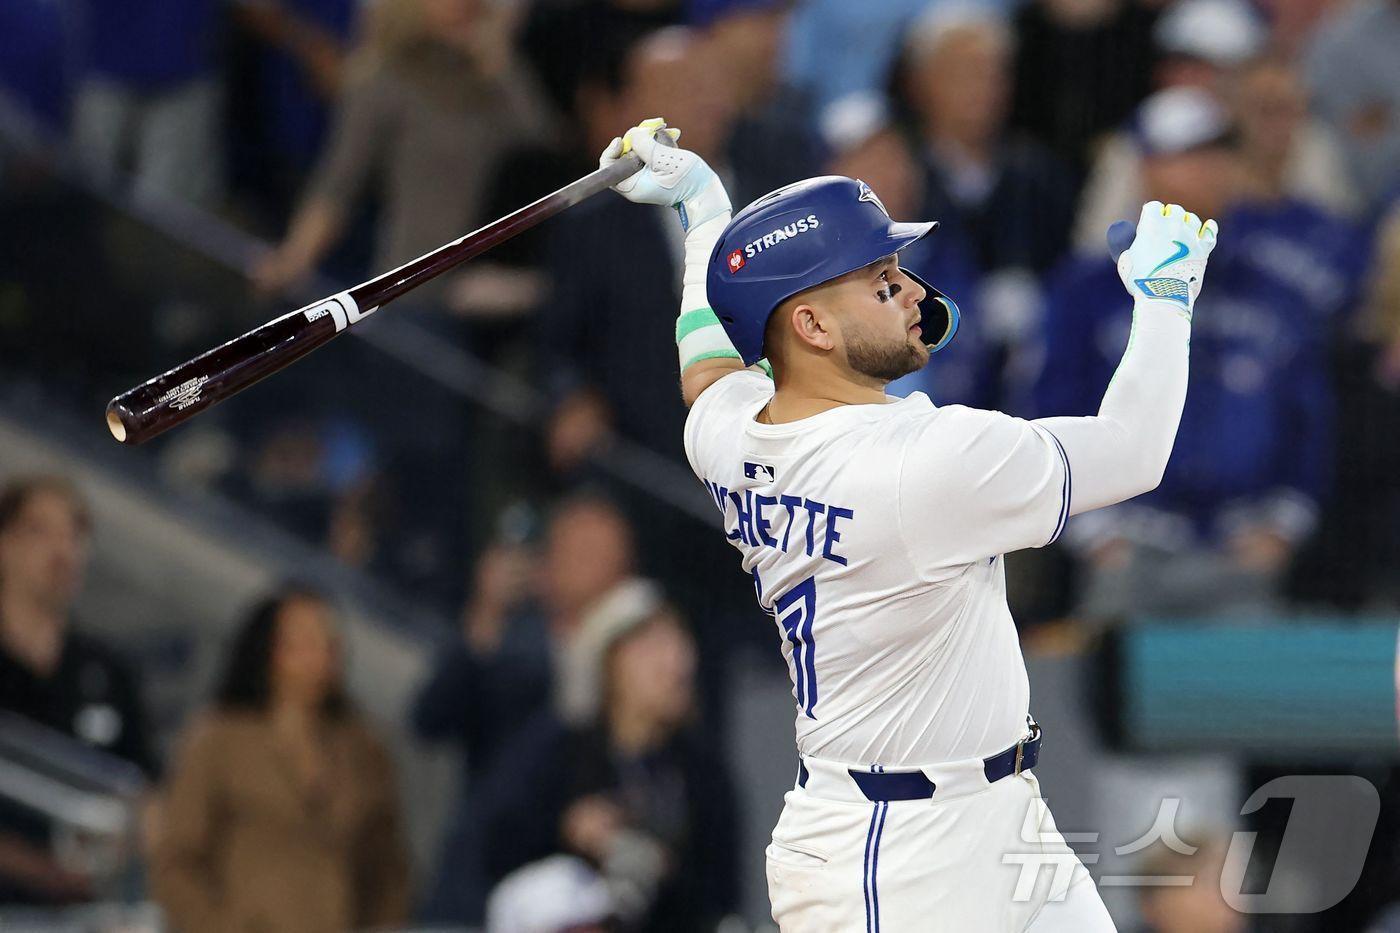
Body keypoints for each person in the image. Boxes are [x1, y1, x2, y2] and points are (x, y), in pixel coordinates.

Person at [596, 116, 1219, 928]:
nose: (915, 296)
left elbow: (709, 363)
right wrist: (1166, 302)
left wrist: (704, 212)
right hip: (893, 859)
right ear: (812, 328)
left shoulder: (729, 428)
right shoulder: (921, 459)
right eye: (881, 283)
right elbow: (1134, 452)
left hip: (987, 817)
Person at [1031, 89, 1330, 621]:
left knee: (1246, 702)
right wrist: (1091, 531)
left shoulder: (1274, 287)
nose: (1209, 169)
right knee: (1108, 697)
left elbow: (1308, 415)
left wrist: (1282, 526)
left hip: (1242, 545)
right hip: (1127, 541)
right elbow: (1049, 411)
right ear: (1148, 168)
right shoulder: (1088, 289)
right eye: (1189, 155)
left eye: (1219, 153)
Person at [253, 0, 554, 299]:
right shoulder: (384, 78)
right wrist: (295, 257)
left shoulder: (490, 74)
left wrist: (500, 65)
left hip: (505, 284)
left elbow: (542, 148)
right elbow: (338, 185)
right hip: (419, 285)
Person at [151, 587, 411, 933]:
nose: (320, 654)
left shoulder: (363, 749)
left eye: (329, 641)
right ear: (270, 650)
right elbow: (178, 857)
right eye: (302, 642)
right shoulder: (221, 739)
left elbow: (388, 866)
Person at [475, 602, 739, 931]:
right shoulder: (561, 750)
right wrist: (569, 828)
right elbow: (496, 845)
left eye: (680, 646)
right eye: (653, 648)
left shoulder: (703, 772)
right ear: (612, 664)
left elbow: (723, 893)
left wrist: (663, 868)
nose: (677, 664)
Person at [0, 475, 155, 904]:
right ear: (4, 543)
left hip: (78, 912)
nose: (62, 550)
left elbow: (145, 796)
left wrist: (107, 857)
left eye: (75, 534)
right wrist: (36, 869)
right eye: (40, 530)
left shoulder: (109, 672)